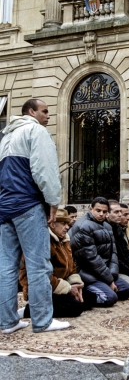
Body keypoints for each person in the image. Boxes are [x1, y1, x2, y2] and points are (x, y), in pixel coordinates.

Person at [0, 98, 69, 334]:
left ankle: (7, 322)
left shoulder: (6, 137)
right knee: (38, 264)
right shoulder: (35, 131)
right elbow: (44, 168)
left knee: (6, 267)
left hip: (4, 206)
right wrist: (53, 200)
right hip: (27, 204)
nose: (48, 116)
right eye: (45, 111)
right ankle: (43, 321)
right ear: (32, 112)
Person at [19, 209, 88, 319]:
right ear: (52, 224)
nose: (67, 227)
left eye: (67, 223)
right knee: (76, 308)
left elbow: (72, 267)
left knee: (89, 297)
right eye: (63, 223)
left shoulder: (64, 240)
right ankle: (28, 311)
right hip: (42, 287)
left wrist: (75, 284)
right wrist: (68, 288)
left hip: (61, 285)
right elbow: (42, 275)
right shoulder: (43, 241)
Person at [70, 196, 129, 306]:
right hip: (87, 273)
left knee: (127, 289)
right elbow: (92, 259)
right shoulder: (83, 226)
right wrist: (109, 280)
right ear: (91, 209)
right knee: (110, 298)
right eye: (98, 211)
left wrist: (112, 276)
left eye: (104, 212)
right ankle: (85, 293)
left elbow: (113, 253)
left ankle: (103, 288)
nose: (101, 214)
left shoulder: (107, 226)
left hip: (103, 272)